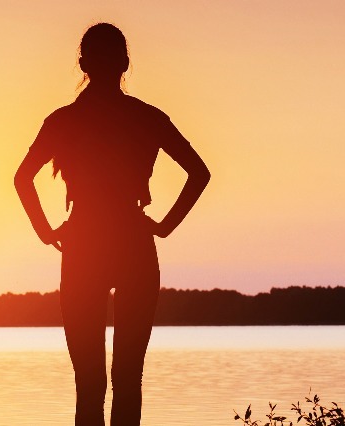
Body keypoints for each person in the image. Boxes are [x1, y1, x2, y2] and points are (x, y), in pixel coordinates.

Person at [14, 22, 211, 426]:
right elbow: (199, 173)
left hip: (84, 241)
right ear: (124, 63)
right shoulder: (147, 117)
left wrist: (46, 231)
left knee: (89, 384)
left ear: (83, 63)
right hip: (133, 240)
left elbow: (22, 178)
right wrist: (164, 225)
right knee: (127, 380)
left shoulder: (63, 120)